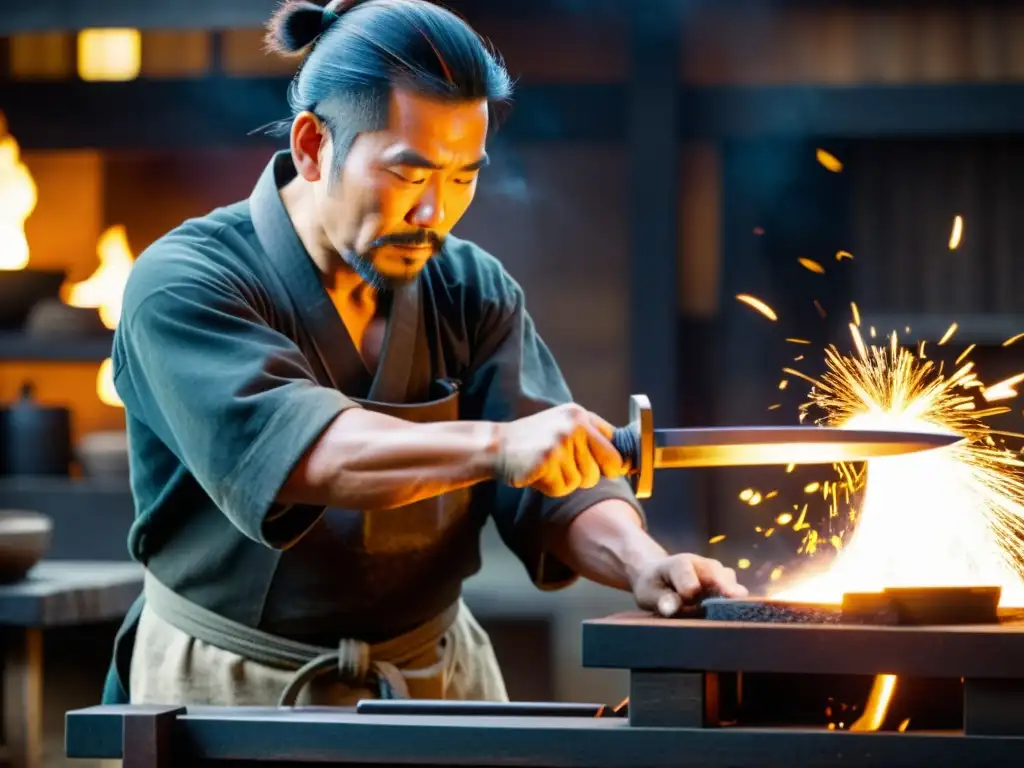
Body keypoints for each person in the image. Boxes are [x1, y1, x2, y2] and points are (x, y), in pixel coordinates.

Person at [102, 0, 747, 708]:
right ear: (315, 146)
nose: (434, 213)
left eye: (462, 177)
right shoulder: (185, 282)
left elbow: (552, 483)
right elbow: (313, 454)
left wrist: (643, 563)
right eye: (409, 175)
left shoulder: (470, 287)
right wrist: (499, 445)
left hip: (436, 675)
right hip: (229, 679)